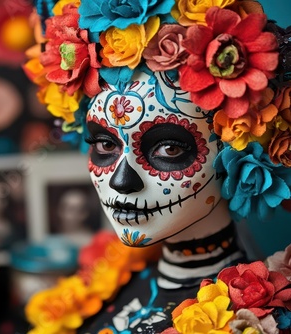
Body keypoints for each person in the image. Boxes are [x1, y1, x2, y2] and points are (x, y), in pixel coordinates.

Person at [23, 0, 291, 333]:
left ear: (240, 148)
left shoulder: (256, 320)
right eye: (105, 145)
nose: (121, 181)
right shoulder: (114, 277)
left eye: (168, 147)